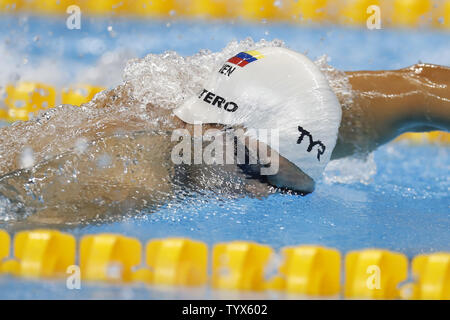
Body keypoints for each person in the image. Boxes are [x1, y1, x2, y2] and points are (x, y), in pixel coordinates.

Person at [0, 47, 448, 227]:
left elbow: (421, 87)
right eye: (253, 170)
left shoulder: (312, 124)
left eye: (282, 190)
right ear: (211, 128)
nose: (258, 193)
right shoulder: (124, 183)